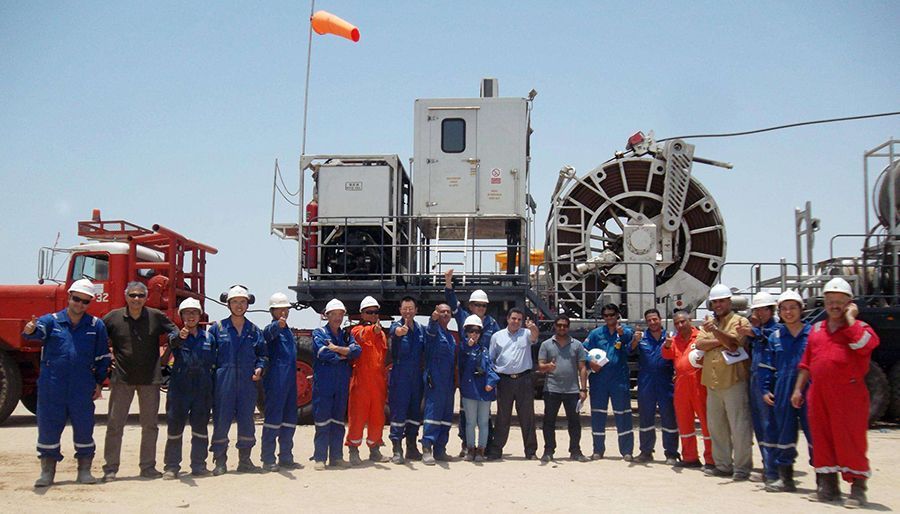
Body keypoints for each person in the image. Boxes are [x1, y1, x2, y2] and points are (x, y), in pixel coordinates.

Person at [792, 278, 880, 507]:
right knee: (822, 439)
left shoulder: (860, 328)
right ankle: (827, 487)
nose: (834, 305)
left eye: (840, 301)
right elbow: (806, 363)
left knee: (850, 440)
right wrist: (798, 389)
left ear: (850, 303)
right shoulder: (817, 330)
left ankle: (857, 490)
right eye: (830, 301)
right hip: (818, 393)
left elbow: (865, 346)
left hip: (848, 394)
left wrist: (850, 319)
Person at [24, 279, 110, 487]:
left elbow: (102, 357)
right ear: (69, 297)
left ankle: (84, 470)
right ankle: (47, 472)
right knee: (49, 427)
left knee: (84, 427)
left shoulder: (96, 325)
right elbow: (35, 334)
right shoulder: (51, 321)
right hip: (52, 386)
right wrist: (30, 330)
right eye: (77, 299)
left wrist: (99, 383)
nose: (80, 304)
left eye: (85, 301)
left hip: (82, 386)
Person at [102, 281, 178, 481]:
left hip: (149, 380)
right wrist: (106, 360)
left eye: (140, 295)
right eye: (133, 295)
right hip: (122, 379)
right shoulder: (113, 317)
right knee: (114, 425)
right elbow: (97, 338)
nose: (136, 299)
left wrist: (169, 349)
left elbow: (174, 333)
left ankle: (148, 467)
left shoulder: (155, 316)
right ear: (126, 296)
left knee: (150, 426)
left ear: (146, 298)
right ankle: (110, 468)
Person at [208, 285, 268, 476]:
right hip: (223, 380)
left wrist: (260, 367)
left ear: (248, 304)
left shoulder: (254, 330)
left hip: (247, 381)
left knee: (246, 419)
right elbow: (208, 356)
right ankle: (220, 460)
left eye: (242, 302)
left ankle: (245, 460)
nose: (239, 305)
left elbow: (263, 354)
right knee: (221, 419)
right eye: (235, 302)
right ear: (228, 304)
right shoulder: (217, 329)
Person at [697, 284, 753, 481]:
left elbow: (734, 343)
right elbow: (699, 343)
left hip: (733, 381)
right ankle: (722, 465)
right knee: (717, 427)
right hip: (712, 382)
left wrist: (716, 335)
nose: (718, 305)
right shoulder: (710, 322)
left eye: (722, 301)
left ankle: (742, 467)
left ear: (729, 302)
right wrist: (720, 339)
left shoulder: (740, 321)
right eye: (715, 302)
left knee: (739, 426)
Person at [759, 290, 811, 493]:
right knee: (784, 433)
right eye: (784, 309)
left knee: (814, 433)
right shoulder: (776, 337)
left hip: (809, 388)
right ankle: (785, 478)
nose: (789, 312)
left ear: (801, 309)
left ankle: (825, 481)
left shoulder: (812, 334)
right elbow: (767, 366)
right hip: (782, 389)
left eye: (793, 308)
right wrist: (765, 389)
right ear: (779, 312)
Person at [445, 268, 500, 457]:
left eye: (483, 305)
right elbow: (452, 303)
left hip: (484, 374)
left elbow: (500, 345)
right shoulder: (464, 318)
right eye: (477, 305)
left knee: (485, 415)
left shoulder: (492, 324)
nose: (481, 308)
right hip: (468, 372)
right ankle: (466, 444)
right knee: (465, 412)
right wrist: (448, 282)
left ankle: (485, 446)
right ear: (470, 305)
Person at [162, 298, 215, 479]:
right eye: (187, 313)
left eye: (194, 312)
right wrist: (180, 336)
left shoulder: (208, 338)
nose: (191, 316)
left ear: (199, 316)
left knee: (200, 428)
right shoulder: (176, 336)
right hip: (180, 389)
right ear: (181, 316)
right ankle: (171, 466)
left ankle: (199, 465)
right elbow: (173, 343)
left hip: (202, 389)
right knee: (175, 429)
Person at [311, 299, 361, 470]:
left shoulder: (346, 335)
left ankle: (336, 457)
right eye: (334, 314)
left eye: (340, 314)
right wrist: (345, 354)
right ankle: (320, 458)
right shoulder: (319, 333)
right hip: (324, 383)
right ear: (327, 315)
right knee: (322, 420)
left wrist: (337, 349)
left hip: (341, 382)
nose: (338, 318)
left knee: (338, 421)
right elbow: (323, 353)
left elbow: (357, 351)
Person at [661, 310, 714, 470]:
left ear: (690, 320)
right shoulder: (674, 340)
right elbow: (666, 355)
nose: (680, 325)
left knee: (706, 422)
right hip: (681, 385)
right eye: (677, 323)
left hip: (699, 383)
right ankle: (690, 457)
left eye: (683, 321)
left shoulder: (700, 337)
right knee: (684, 422)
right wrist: (667, 345)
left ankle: (711, 459)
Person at [583, 303, 635, 461]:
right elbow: (583, 350)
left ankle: (626, 451)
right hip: (599, 380)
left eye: (612, 314)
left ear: (618, 315)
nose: (609, 318)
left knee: (623, 414)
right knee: (598, 414)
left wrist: (622, 334)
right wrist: (590, 363)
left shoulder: (625, 331)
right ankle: (598, 450)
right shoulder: (596, 334)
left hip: (619, 380)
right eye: (605, 315)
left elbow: (631, 344)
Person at [487, 307, 540, 460]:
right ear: (508, 319)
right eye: (514, 318)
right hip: (504, 381)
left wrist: (533, 327)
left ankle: (531, 451)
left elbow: (535, 337)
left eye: (519, 319)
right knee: (503, 416)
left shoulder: (526, 333)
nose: (516, 322)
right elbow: (491, 358)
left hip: (524, 379)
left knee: (527, 416)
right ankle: (496, 450)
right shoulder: (497, 336)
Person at [739, 292, 779, 483]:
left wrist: (753, 332)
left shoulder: (776, 329)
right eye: (757, 310)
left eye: (764, 309)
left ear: (771, 310)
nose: (760, 313)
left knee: (769, 425)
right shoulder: (758, 330)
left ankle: (774, 470)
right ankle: (767, 466)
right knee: (760, 427)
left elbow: (772, 335)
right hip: (754, 381)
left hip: (768, 382)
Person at [537, 314, 589, 463]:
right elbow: (540, 366)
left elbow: (582, 368)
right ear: (555, 326)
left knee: (574, 423)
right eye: (559, 325)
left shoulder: (577, 345)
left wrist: (583, 389)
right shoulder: (546, 344)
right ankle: (548, 451)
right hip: (552, 389)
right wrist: (548, 366)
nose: (562, 328)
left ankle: (575, 451)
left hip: (572, 390)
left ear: (568, 327)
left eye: (565, 326)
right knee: (549, 421)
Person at [260, 292, 302, 472]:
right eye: (280, 309)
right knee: (273, 419)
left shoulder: (287, 331)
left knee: (289, 420)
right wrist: (278, 325)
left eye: (286, 309)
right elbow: (267, 334)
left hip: (289, 381)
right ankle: (268, 458)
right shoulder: (273, 328)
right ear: (272, 311)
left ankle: (286, 457)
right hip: (276, 381)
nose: (284, 312)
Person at [346, 296, 389, 465]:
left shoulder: (382, 334)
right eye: (369, 312)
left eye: (375, 312)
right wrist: (373, 330)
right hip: (361, 382)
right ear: (362, 314)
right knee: (357, 416)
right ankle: (353, 449)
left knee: (377, 417)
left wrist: (377, 332)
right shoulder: (356, 331)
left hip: (378, 382)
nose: (373, 315)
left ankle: (375, 448)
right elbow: (362, 335)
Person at [634, 308, 679, 465]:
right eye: (649, 320)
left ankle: (671, 453)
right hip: (646, 382)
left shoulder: (671, 337)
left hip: (666, 382)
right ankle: (646, 452)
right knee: (646, 417)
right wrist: (635, 341)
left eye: (655, 319)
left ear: (660, 319)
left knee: (669, 417)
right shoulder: (642, 338)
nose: (652, 322)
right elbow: (628, 351)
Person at [388, 296, 426, 464]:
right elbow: (394, 332)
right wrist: (399, 332)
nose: (408, 312)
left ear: (416, 310)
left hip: (416, 376)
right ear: (400, 310)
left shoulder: (421, 330)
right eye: (405, 309)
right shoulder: (396, 326)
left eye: (411, 309)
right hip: (400, 376)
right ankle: (397, 448)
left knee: (414, 412)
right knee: (399, 411)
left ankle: (412, 446)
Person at [458, 315, 500, 462]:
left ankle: (481, 450)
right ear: (466, 332)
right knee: (470, 422)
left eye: (477, 332)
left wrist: (491, 382)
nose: (474, 334)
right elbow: (461, 365)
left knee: (483, 422)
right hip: (470, 390)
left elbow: (490, 369)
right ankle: (470, 449)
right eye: (471, 331)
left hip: (484, 391)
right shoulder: (462, 349)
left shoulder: (484, 351)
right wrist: (468, 348)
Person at [422, 303, 458, 465]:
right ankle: (427, 448)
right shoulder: (434, 331)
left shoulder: (450, 336)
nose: (445, 314)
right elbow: (430, 331)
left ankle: (440, 449)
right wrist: (433, 320)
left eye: (448, 312)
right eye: (442, 311)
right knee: (433, 414)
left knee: (446, 416)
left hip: (448, 382)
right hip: (435, 380)